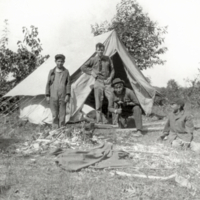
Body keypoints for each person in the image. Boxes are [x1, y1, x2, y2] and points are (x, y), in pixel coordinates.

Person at [81, 43, 115, 124]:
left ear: (104, 50)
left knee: (111, 98)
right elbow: (83, 67)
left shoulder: (108, 59)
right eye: (99, 49)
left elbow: (113, 70)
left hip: (107, 81)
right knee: (98, 101)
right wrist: (92, 72)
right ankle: (99, 121)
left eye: (102, 49)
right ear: (96, 50)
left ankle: (114, 120)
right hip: (98, 81)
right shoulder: (93, 59)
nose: (100, 51)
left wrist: (110, 78)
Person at [45, 54, 71, 129]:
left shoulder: (66, 72)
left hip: (63, 95)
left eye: (61, 61)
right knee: (54, 113)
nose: (60, 63)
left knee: (62, 113)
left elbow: (68, 84)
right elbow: (48, 83)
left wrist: (68, 94)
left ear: (64, 62)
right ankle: (55, 129)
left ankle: (62, 128)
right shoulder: (52, 72)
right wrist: (47, 95)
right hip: (53, 95)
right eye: (58, 61)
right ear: (55, 61)